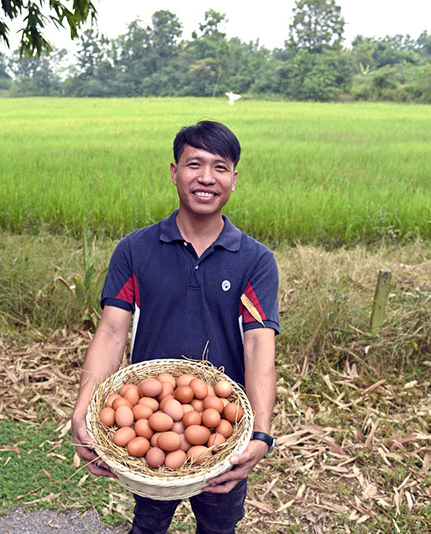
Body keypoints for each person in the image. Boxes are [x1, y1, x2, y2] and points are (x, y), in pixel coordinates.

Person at [71, 120, 279, 534]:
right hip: (146, 430)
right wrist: (83, 408)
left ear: (234, 179)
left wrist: (260, 433)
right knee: (149, 521)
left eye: (220, 167)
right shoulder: (136, 249)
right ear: (174, 171)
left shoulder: (255, 260)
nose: (206, 178)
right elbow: (112, 332)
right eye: (194, 164)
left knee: (219, 525)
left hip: (222, 426)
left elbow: (259, 348)